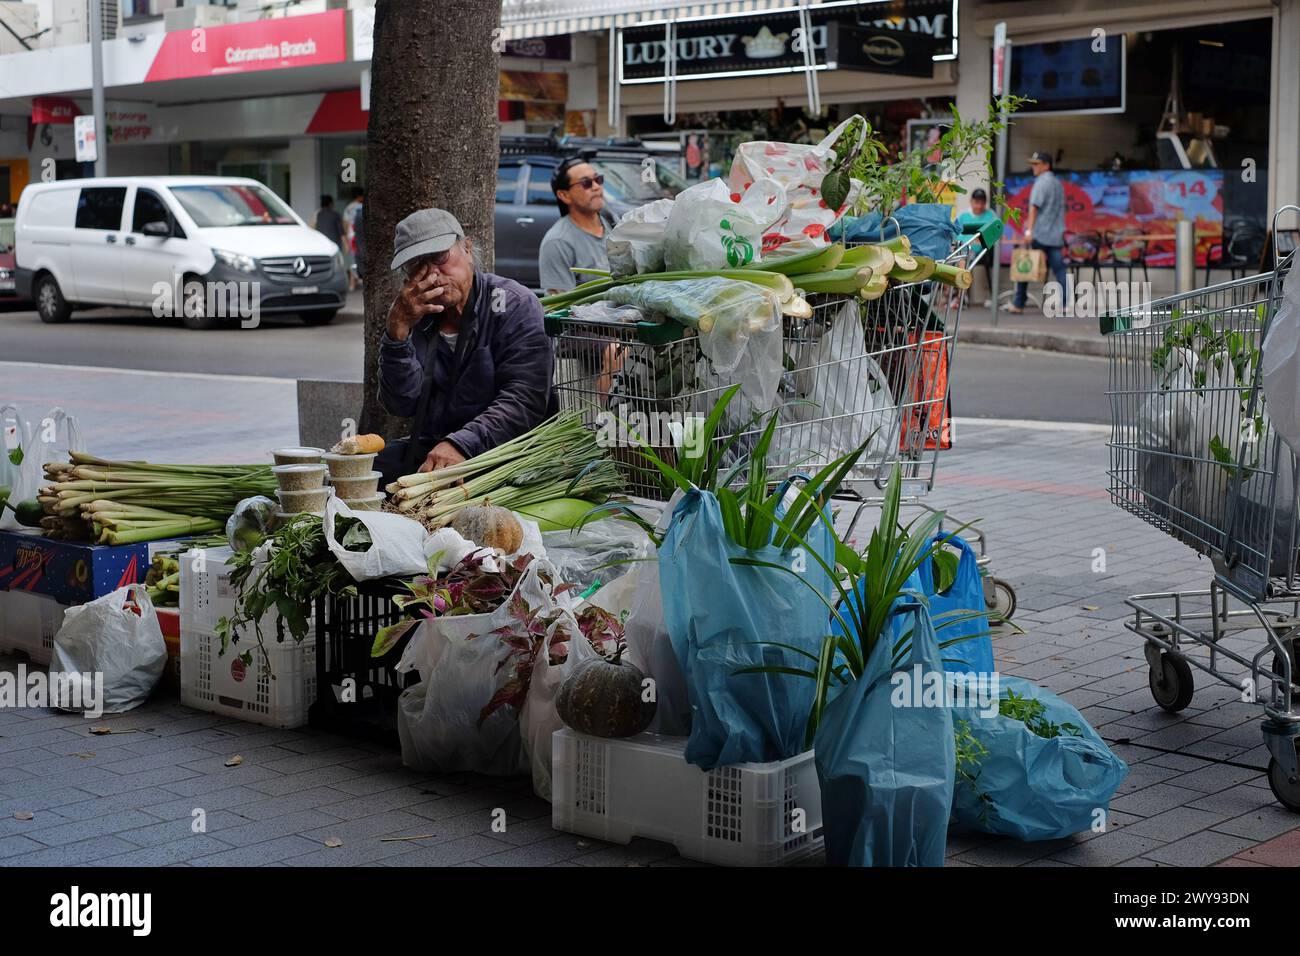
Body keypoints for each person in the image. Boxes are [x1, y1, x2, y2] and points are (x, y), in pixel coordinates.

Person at [375, 208, 557, 485]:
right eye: (417, 265)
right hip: (438, 448)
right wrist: (396, 335)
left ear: (468, 249)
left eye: (439, 257)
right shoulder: (417, 315)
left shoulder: (514, 304)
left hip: (507, 453)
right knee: (364, 472)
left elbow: (524, 399)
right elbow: (402, 403)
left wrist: (461, 444)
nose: (432, 275)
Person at [539, 157, 611, 296]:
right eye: (586, 183)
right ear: (564, 195)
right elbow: (561, 307)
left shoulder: (613, 222)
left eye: (598, 179)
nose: (596, 187)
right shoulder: (558, 242)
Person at [1008, 150, 1069, 314]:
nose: (1034, 167)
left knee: (1025, 265)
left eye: (1037, 164)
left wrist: (1029, 231)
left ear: (1046, 165)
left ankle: (1019, 303)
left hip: (1040, 233)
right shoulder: (1058, 184)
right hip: (1055, 235)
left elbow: (1034, 207)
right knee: (1059, 269)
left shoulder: (1041, 182)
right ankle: (1065, 304)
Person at [955, 188, 999, 306]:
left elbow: (995, 235)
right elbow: (956, 234)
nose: (979, 206)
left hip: (981, 252)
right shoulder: (963, 216)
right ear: (971, 202)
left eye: (982, 203)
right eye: (977, 202)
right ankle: (958, 295)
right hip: (963, 249)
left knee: (962, 259)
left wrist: (978, 241)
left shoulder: (991, 215)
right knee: (957, 258)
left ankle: (961, 296)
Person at [343, 187, 364, 291]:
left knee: (353, 259)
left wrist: (346, 238)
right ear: (360, 196)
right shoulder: (363, 206)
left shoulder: (349, 208)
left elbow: (346, 224)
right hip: (361, 235)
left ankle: (352, 283)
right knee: (362, 257)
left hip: (351, 236)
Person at [314, 194, 346, 263]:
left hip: (321, 246)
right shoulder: (335, 215)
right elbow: (341, 232)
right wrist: (346, 245)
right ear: (330, 204)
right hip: (334, 247)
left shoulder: (318, 214)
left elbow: (312, 228)